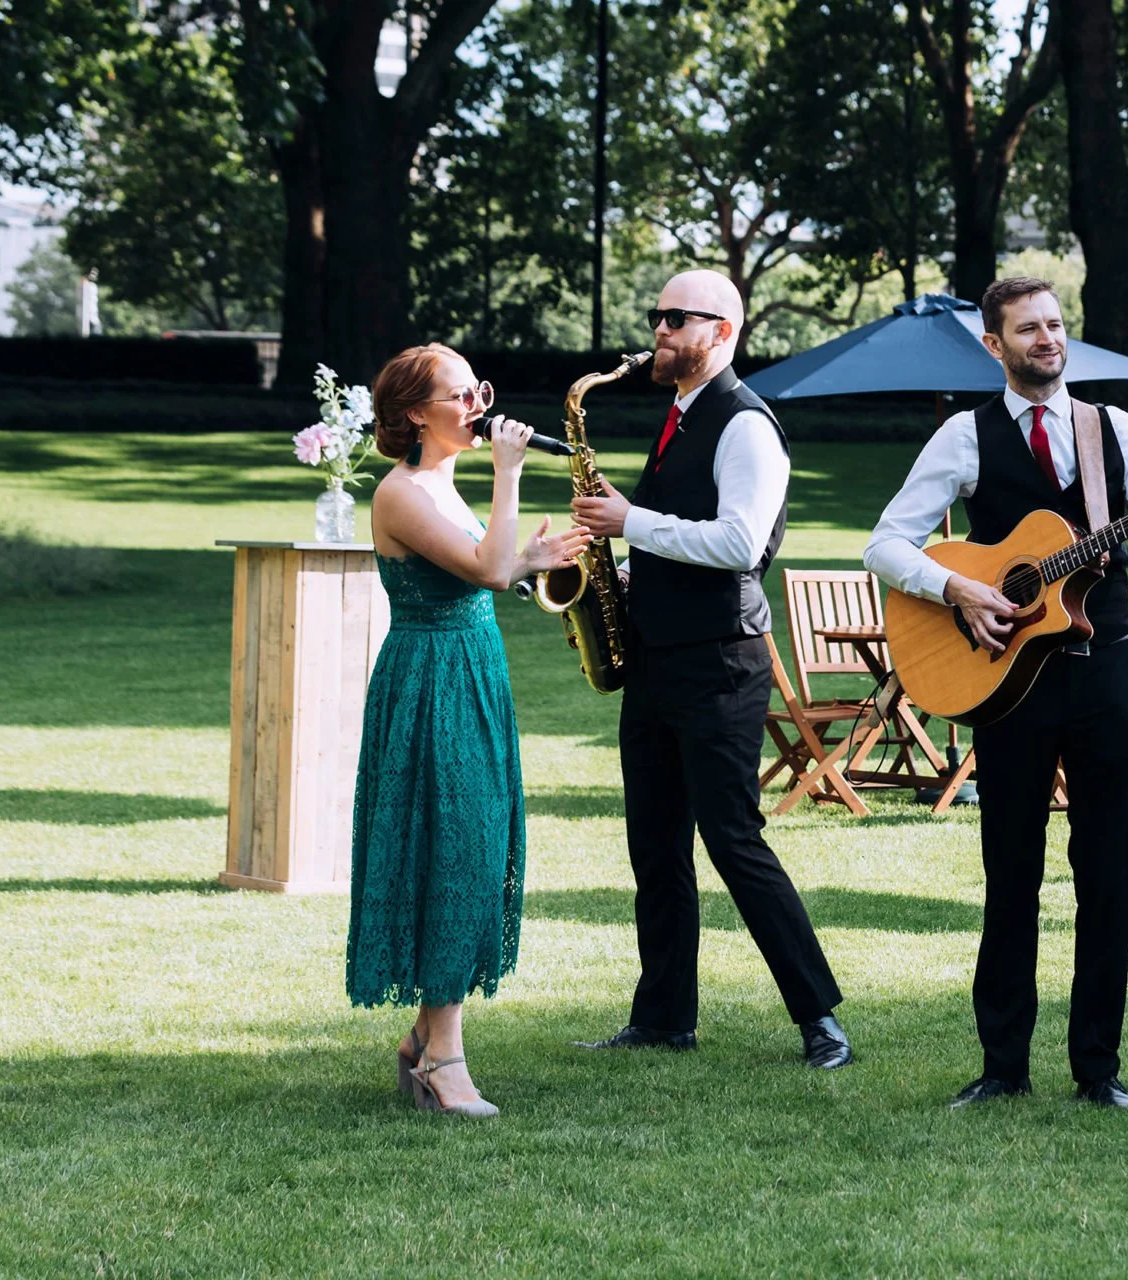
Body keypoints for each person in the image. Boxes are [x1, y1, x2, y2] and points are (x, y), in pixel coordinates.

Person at [864, 277, 1128, 1112]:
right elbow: (886, 542)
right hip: (1009, 682)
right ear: (995, 346)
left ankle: (1099, 1069)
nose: (1047, 339)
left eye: (1056, 325)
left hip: (1106, 674)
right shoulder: (964, 434)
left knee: (1108, 871)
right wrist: (959, 591)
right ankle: (1002, 1067)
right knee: (1010, 869)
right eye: (1028, 329)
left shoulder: (1115, 430)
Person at [569, 269, 852, 1069]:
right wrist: (628, 572)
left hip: (721, 665)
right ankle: (662, 1017)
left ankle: (820, 1020)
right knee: (655, 845)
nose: (658, 330)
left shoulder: (746, 425)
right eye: (656, 315)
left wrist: (631, 521)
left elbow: (740, 545)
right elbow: (686, 538)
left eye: (675, 319)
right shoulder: (682, 415)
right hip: (659, 658)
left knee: (733, 838)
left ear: (723, 331)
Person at [347, 342, 593, 1118]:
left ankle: (424, 1043)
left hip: (472, 674)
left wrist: (533, 558)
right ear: (416, 413)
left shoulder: (440, 484)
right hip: (431, 684)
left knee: (471, 844)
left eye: (479, 389)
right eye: (462, 395)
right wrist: (512, 476)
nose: (479, 406)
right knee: (450, 848)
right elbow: (485, 573)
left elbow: (487, 564)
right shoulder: (401, 491)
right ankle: (445, 1061)